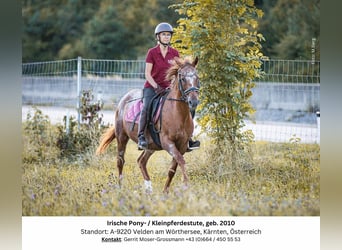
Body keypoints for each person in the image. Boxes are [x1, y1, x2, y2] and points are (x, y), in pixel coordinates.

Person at [137, 22, 200, 151]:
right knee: (147, 107)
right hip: (152, 87)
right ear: (158, 37)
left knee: (189, 105)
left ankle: (188, 138)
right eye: (163, 35)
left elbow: (179, 72)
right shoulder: (152, 53)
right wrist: (156, 87)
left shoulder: (174, 53)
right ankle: (141, 136)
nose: (166, 37)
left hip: (168, 88)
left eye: (168, 35)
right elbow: (147, 74)